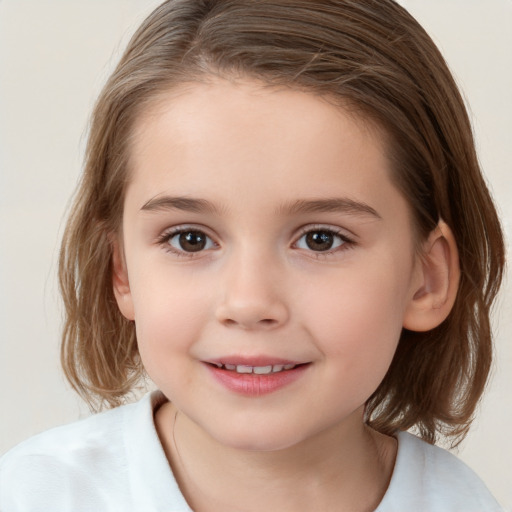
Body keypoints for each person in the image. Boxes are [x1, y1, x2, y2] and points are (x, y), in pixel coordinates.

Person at [0, 0, 506, 510]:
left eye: (320, 239)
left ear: (427, 278)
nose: (248, 302)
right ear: (123, 270)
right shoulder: (34, 496)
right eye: (190, 239)